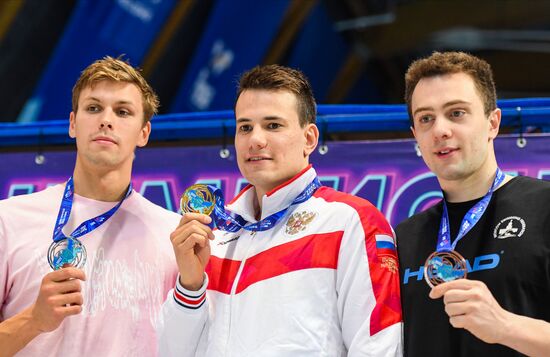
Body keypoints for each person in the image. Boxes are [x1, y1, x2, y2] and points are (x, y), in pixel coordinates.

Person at [158, 64, 403, 356]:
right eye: (245, 127)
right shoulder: (216, 235)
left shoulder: (350, 221)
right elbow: (174, 351)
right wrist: (190, 285)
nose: (255, 139)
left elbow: (378, 347)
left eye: (273, 125)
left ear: (309, 139)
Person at [0, 56, 181, 356]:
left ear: (144, 133)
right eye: (94, 108)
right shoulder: (9, 220)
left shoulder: (172, 236)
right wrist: (34, 319)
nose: (106, 120)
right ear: (73, 123)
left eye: (122, 111)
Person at [396, 51, 550, 356]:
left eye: (456, 113)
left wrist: (505, 326)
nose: (440, 130)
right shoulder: (403, 237)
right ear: (416, 136)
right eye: (426, 118)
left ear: (493, 123)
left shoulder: (545, 208)